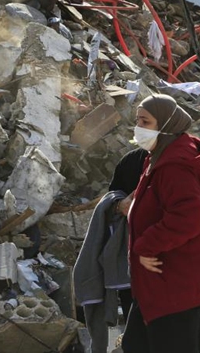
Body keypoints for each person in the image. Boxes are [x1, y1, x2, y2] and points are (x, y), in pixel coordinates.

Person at [122, 94, 200, 353]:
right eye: (137, 121)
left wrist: (146, 246)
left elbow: (186, 218)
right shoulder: (161, 155)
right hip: (166, 282)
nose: (138, 128)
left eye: (145, 121)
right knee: (136, 344)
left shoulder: (174, 167)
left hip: (176, 284)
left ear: (166, 124)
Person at [74, 148, 147, 353]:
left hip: (166, 268)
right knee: (137, 328)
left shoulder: (174, 166)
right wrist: (117, 206)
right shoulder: (134, 160)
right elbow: (114, 194)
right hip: (130, 262)